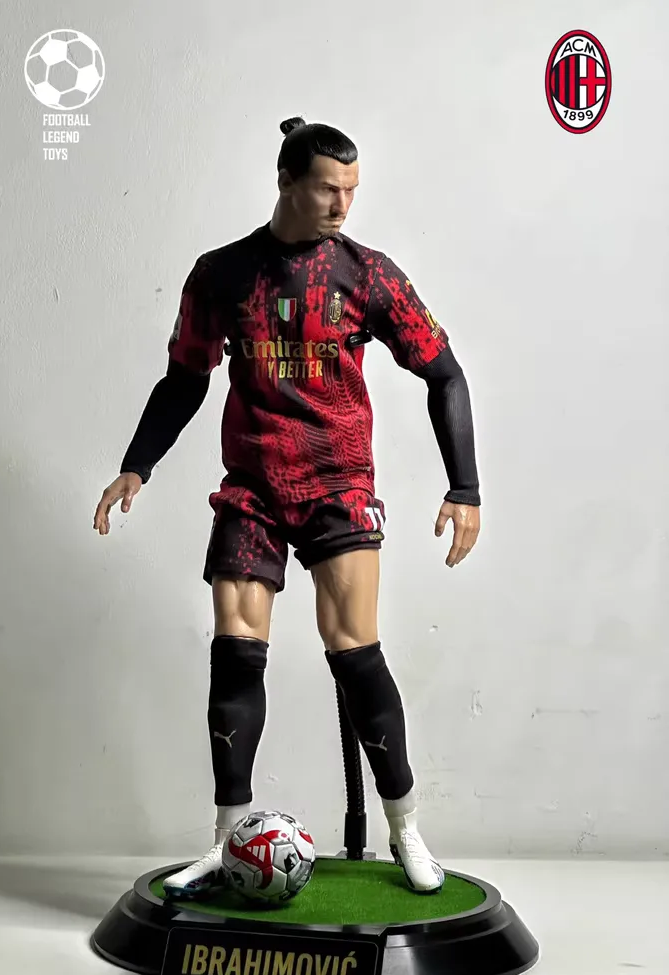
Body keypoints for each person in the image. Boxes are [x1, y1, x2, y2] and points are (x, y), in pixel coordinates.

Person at [93, 116, 481, 899]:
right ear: (286, 182)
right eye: (328, 189)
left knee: (356, 653)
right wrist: (137, 464)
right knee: (235, 653)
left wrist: (463, 487)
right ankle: (225, 837)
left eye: (352, 191)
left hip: (339, 484)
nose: (342, 205)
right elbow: (186, 378)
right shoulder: (222, 275)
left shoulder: (368, 276)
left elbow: (445, 374)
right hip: (254, 487)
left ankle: (405, 827)